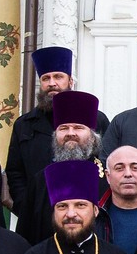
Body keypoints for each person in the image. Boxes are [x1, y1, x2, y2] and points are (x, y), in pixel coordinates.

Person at [5, 46, 109, 216]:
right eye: (46, 78)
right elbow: (15, 171)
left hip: (85, 213)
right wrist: (26, 205)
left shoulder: (97, 120)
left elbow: (105, 164)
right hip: (37, 212)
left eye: (58, 77)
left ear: (70, 81)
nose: (52, 83)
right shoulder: (24, 124)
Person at [12, 90, 102, 242]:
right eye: (63, 128)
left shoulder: (106, 179)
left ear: (93, 138)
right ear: (55, 136)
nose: (70, 133)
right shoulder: (41, 180)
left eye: (78, 128)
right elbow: (25, 235)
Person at [99, 145, 137, 254]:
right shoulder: (95, 216)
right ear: (108, 176)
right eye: (119, 168)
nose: (128, 174)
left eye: (135, 168)